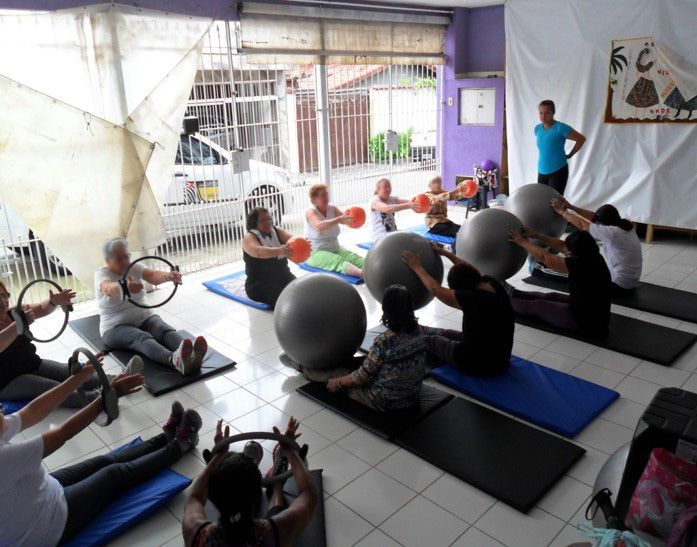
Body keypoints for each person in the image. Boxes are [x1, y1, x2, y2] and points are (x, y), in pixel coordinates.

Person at [0, 365, 204, 546]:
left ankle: (166, 436)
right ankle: (180, 444)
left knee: (104, 460)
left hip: (36, 494)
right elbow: (63, 434)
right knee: (115, 473)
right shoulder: (4, 457)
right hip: (41, 529)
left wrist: (75, 380)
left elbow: (32, 411)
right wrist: (107, 397)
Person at [0, 280, 139, 407]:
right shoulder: (17, 319)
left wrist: (53, 302)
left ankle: (120, 378)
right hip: (8, 381)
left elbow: (41, 308)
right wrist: (18, 325)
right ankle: (98, 398)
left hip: (33, 363)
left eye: (4, 296)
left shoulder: (14, 313)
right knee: (54, 387)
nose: (2, 302)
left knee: (75, 375)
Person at [183, 417, 317, 547]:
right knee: (276, 500)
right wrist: (290, 450)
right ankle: (277, 482)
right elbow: (308, 494)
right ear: (259, 494)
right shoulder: (279, 531)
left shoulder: (196, 535)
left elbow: (194, 497)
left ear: (211, 496)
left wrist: (218, 456)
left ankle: (246, 468)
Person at [95, 238, 207, 375]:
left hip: (145, 317)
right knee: (141, 337)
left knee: (163, 329)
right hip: (115, 326)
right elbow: (108, 288)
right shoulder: (101, 274)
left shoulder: (133, 267)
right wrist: (125, 286)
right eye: (119, 259)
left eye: (126, 257)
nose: (125, 262)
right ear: (108, 261)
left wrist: (169, 276)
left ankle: (193, 357)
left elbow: (153, 275)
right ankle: (175, 361)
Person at [404, 245, 513, 376]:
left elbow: (436, 290)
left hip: (480, 364)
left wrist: (417, 267)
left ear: (465, 290)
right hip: (499, 356)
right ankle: (416, 328)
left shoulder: (472, 299)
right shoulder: (491, 283)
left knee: (432, 340)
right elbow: (468, 269)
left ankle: (405, 336)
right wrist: (445, 253)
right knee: (444, 333)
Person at [509, 228, 611, 333]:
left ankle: (502, 299)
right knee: (552, 296)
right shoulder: (592, 254)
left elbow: (544, 257)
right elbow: (562, 245)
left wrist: (522, 242)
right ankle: (513, 292)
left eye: (569, 253)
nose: (567, 253)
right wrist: (537, 235)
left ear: (573, 252)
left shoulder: (580, 265)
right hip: (590, 309)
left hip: (586, 322)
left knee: (538, 305)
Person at [551, 198, 642, 293]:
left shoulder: (612, 233)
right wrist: (571, 207)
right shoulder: (624, 226)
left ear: (604, 222)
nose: (596, 222)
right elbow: (594, 218)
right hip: (630, 281)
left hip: (619, 285)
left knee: (578, 272)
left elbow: (582, 225)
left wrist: (562, 212)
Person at [304, 184, 365, 278]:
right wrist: (338, 219)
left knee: (355, 258)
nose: (326, 197)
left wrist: (353, 218)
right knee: (338, 261)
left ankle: (375, 270)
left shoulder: (332, 208)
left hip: (335, 248)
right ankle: (363, 274)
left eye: (326, 194)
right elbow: (319, 226)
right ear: (314, 198)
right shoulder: (311, 211)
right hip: (315, 252)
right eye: (322, 195)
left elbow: (346, 220)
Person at [243, 207, 297, 308]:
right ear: (254, 224)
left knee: (301, 291)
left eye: (268, 218)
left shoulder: (277, 231)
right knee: (284, 300)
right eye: (262, 221)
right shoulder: (249, 237)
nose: (267, 222)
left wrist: (304, 244)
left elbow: (294, 240)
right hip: (259, 283)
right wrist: (280, 250)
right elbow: (258, 252)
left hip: (283, 276)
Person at [535, 99, 586, 195]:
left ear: (553, 113)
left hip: (558, 171)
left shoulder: (560, 128)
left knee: (556, 202)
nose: (543, 116)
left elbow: (581, 139)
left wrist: (570, 154)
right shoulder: (537, 129)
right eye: (541, 113)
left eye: (547, 113)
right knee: (541, 200)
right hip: (542, 170)